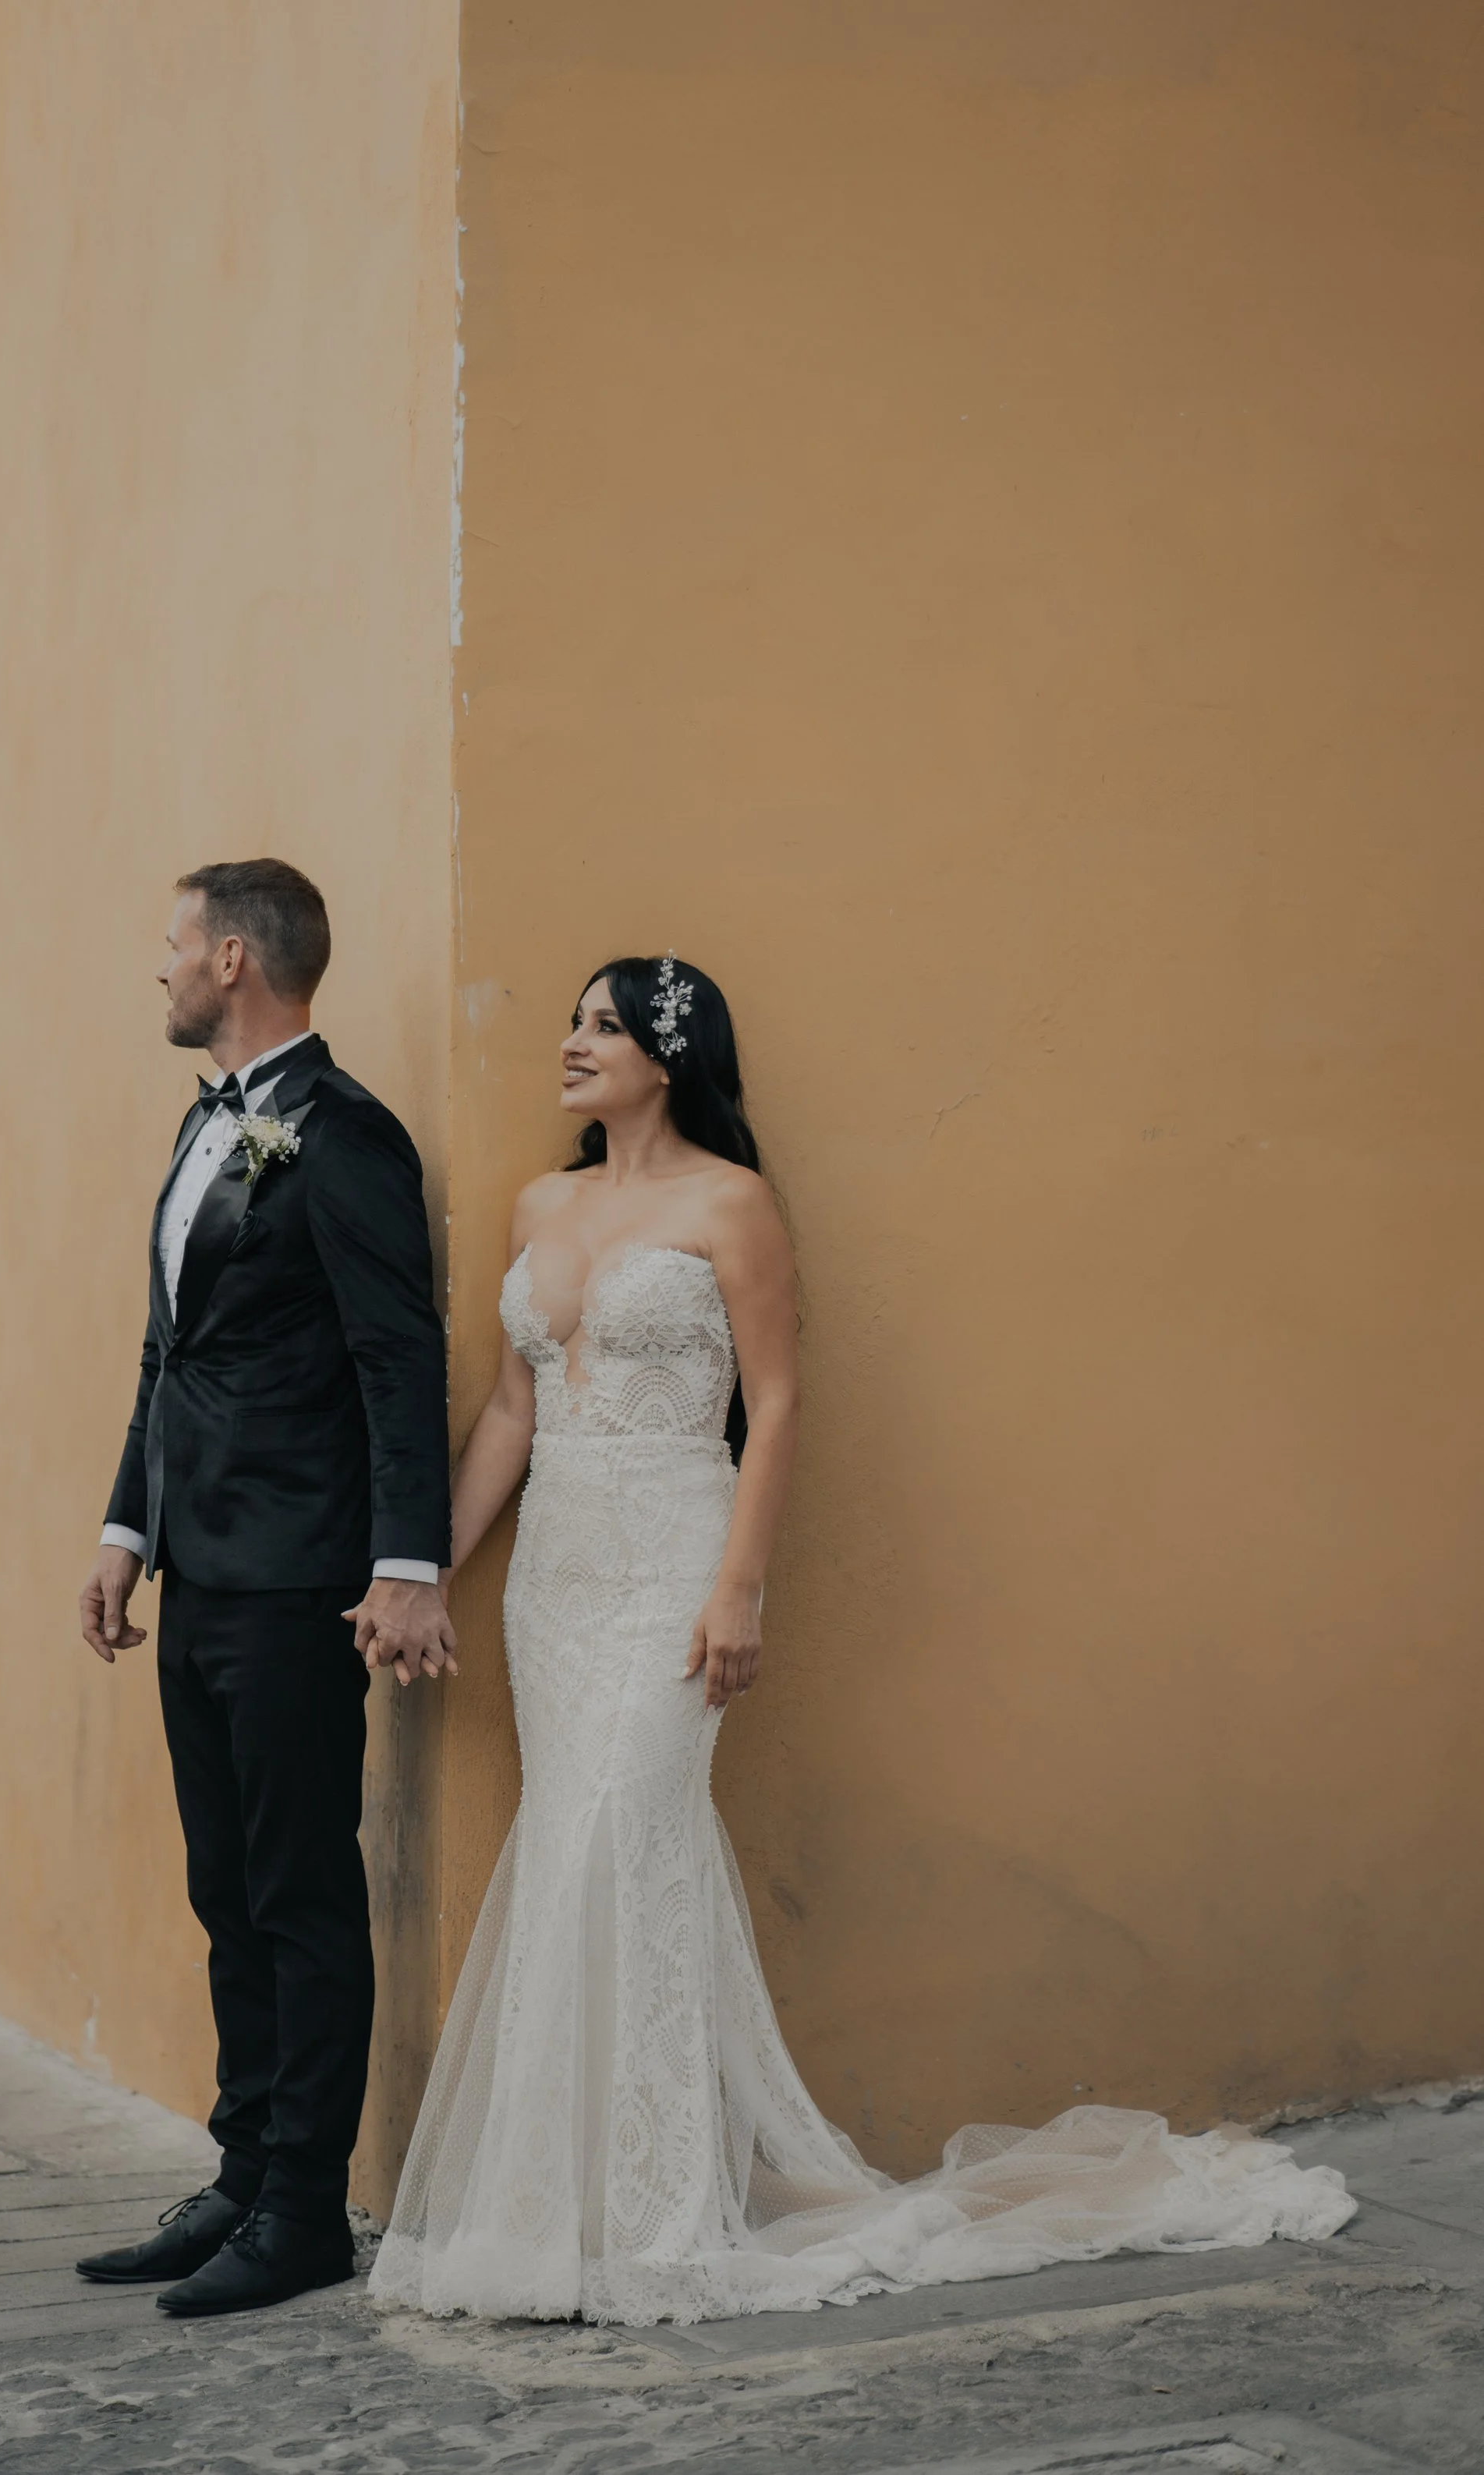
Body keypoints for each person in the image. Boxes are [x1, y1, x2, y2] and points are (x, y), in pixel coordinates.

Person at [368, 954, 1352, 2325]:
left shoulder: (733, 1203)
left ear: (672, 1052)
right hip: (557, 1585)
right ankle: (557, 2217)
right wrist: (422, 1570)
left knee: (624, 1846)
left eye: (604, 1023)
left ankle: (657, 2221)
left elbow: (771, 1405)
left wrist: (740, 1590)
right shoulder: (544, 1202)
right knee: (570, 1861)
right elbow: (511, 1420)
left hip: (671, 1565)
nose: (572, 1040)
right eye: (573, 1020)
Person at [74, 860, 453, 2319]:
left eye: (171, 942)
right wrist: (125, 1526)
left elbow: (396, 1358)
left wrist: (402, 1563)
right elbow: (170, 1350)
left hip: (300, 1577)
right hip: (195, 1562)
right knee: (225, 1885)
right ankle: (241, 2174)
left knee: (299, 1892)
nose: (157, 966)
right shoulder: (202, 1124)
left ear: (234, 958)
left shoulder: (345, 1136)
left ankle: (305, 2209)